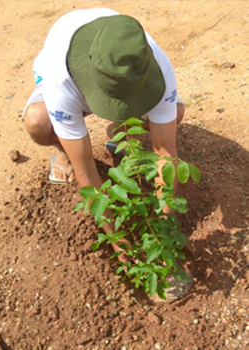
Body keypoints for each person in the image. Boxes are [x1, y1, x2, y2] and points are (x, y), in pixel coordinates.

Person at [24, 8, 186, 268]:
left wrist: (165, 229)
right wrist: (117, 241)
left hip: (119, 80)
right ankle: (63, 147)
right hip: (73, 83)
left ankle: (120, 131)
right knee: (38, 122)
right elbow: (85, 169)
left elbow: (165, 152)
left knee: (174, 112)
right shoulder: (60, 79)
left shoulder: (154, 62)